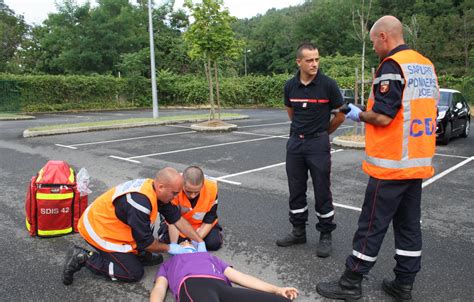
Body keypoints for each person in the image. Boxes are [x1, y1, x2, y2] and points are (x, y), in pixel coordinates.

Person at [316, 15, 439, 301]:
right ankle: (403, 284)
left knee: (371, 224)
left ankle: (350, 282)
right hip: (417, 162)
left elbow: (383, 117)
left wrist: (358, 113)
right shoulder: (425, 65)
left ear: (383, 36)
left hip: (392, 165)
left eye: (373, 42)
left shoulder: (392, 66)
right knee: (408, 227)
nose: (373, 48)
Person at [62, 167, 207, 285]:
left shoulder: (156, 189)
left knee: (148, 245)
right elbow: (146, 241)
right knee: (133, 273)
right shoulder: (139, 203)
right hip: (99, 229)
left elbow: (177, 219)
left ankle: (138, 254)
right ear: (161, 187)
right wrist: (170, 248)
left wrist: (199, 241)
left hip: (114, 224)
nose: (176, 197)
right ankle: (84, 258)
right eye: (174, 193)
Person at [276, 42, 346, 258]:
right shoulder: (290, 86)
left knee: (322, 190)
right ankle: (298, 232)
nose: (314, 64)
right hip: (296, 144)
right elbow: (292, 113)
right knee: (296, 189)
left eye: (317, 59)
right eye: (309, 60)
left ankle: (325, 234)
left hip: (318, 144)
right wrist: (302, 131)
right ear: (299, 62)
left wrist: (322, 133)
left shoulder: (328, 85)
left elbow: (340, 115)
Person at [150, 241, 299, 302]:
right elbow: (159, 288)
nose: (186, 242)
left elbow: (241, 277)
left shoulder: (209, 257)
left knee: (281, 301)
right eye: (182, 242)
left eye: (189, 241)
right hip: (193, 284)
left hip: (222, 288)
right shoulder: (170, 263)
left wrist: (277, 289)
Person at [158, 166, 223, 251]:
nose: (192, 195)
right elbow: (172, 219)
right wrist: (174, 243)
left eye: (196, 192)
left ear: (202, 185)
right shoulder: (175, 188)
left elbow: (209, 220)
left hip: (200, 225)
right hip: (178, 224)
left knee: (214, 243)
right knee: (168, 242)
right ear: (182, 184)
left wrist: (196, 241)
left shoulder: (211, 189)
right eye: (188, 191)